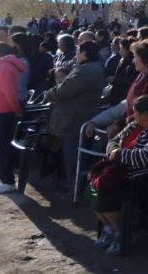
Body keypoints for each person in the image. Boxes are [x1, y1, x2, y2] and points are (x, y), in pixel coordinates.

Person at [93, 95, 148, 255]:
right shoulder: (135, 125)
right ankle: (109, 228)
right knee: (94, 186)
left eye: (135, 112)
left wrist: (119, 154)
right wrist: (114, 150)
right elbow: (113, 141)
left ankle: (121, 234)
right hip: (129, 174)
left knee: (107, 194)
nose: (133, 115)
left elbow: (146, 156)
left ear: (145, 115)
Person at [45, 41, 105, 195]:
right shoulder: (91, 68)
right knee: (73, 156)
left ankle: (75, 189)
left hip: (74, 119)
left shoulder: (86, 71)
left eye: (78, 51)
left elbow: (65, 89)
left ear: (85, 53)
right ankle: (74, 187)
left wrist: (50, 94)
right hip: (77, 117)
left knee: (73, 157)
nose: (76, 54)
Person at [0, 42, 26, 195]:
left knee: (3, 148)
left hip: (3, 113)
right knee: (0, 147)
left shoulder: (5, 67)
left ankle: (8, 181)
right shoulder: (1, 66)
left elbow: (9, 93)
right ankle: (2, 176)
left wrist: (16, 110)